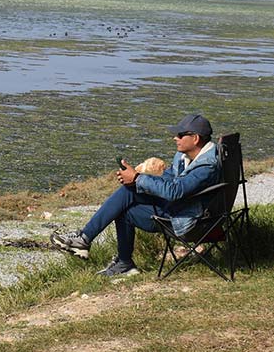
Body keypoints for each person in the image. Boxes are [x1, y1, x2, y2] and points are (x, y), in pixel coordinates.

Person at [50, 113, 222, 277]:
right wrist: (136, 181)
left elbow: (175, 191)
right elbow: (170, 179)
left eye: (180, 134)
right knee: (127, 196)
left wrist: (138, 178)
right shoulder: (186, 156)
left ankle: (99, 248)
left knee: (125, 200)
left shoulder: (206, 166)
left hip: (191, 223)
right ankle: (97, 247)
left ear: (195, 138)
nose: (174, 138)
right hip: (183, 209)